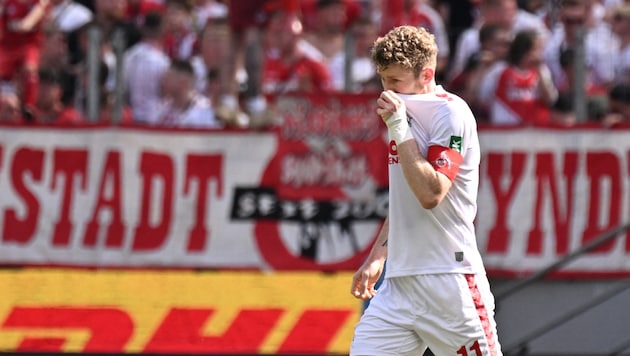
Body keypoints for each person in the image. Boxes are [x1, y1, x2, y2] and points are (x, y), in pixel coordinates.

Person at [349, 25, 502, 355]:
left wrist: (400, 129)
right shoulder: (402, 114)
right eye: (383, 79)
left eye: (395, 81)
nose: (386, 91)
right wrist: (379, 254)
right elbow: (405, 197)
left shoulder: (450, 113)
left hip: (449, 280)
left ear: (426, 74)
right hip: (399, 286)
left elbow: (430, 193)